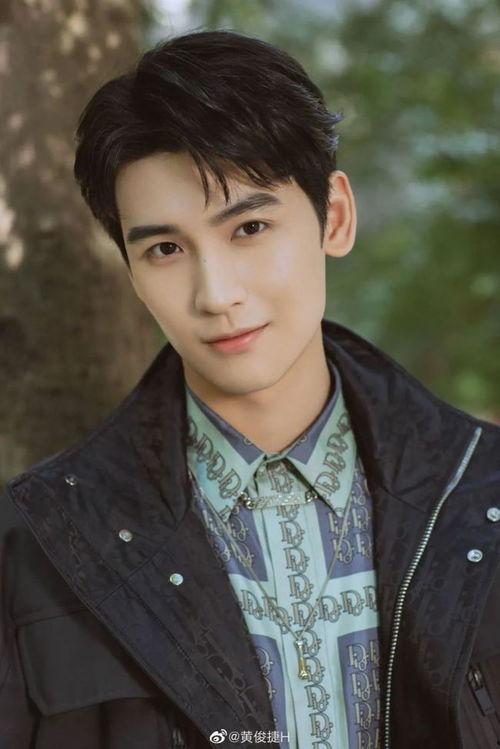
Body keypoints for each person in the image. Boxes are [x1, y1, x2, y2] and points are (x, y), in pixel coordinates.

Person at [1, 28, 499, 749]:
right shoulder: (36, 543)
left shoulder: (481, 492)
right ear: (132, 271)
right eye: (166, 248)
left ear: (334, 216)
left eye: (250, 227)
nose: (216, 294)